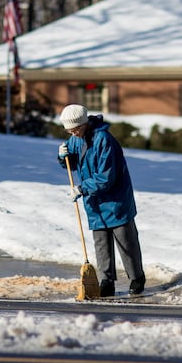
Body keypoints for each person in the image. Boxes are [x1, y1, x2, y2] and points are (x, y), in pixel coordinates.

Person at [57, 104, 146, 297]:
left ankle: (136, 277)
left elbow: (107, 177)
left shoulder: (104, 140)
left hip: (115, 199)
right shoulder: (75, 139)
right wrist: (63, 156)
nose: (72, 132)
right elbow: (72, 163)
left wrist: (82, 188)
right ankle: (107, 280)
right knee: (101, 243)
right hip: (94, 201)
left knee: (126, 241)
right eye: (68, 130)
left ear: (84, 123)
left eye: (75, 128)